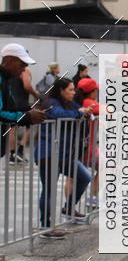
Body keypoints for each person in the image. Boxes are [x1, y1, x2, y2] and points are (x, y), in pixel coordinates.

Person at [35, 78, 93, 238]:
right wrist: (79, 112)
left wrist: (85, 111)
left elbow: (80, 109)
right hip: (48, 153)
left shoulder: (70, 103)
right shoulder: (51, 102)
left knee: (85, 177)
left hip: (65, 155)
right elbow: (58, 114)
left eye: (74, 89)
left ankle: (68, 208)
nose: (73, 92)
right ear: (61, 90)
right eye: (70, 89)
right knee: (49, 189)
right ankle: (46, 227)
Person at [0, 44, 46, 159]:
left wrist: (29, 115)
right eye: (22, 64)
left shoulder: (6, 79)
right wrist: (27, 116)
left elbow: (8, 109)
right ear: (9, 61)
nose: (24, 68)